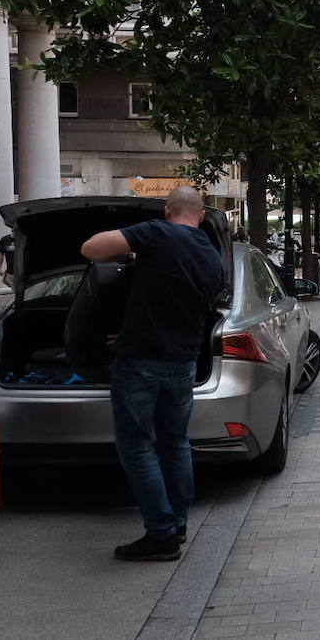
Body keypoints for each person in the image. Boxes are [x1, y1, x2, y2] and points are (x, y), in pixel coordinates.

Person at [81, 186, 226, 562]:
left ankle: (160, 534)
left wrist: (130, 251)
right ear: (201, 215)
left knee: (137, 446)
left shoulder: (156, 233)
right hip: (183, 364)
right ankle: (177, 523)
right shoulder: (212, 256)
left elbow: (91, 249)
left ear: (167, 211)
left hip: (141, 362)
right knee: (176, 444)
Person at [0, 223, 17, 287]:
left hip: (23, 273)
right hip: (10, 273)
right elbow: (0, 254)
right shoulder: (4, 239)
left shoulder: (24, 239)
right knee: (14, 292)